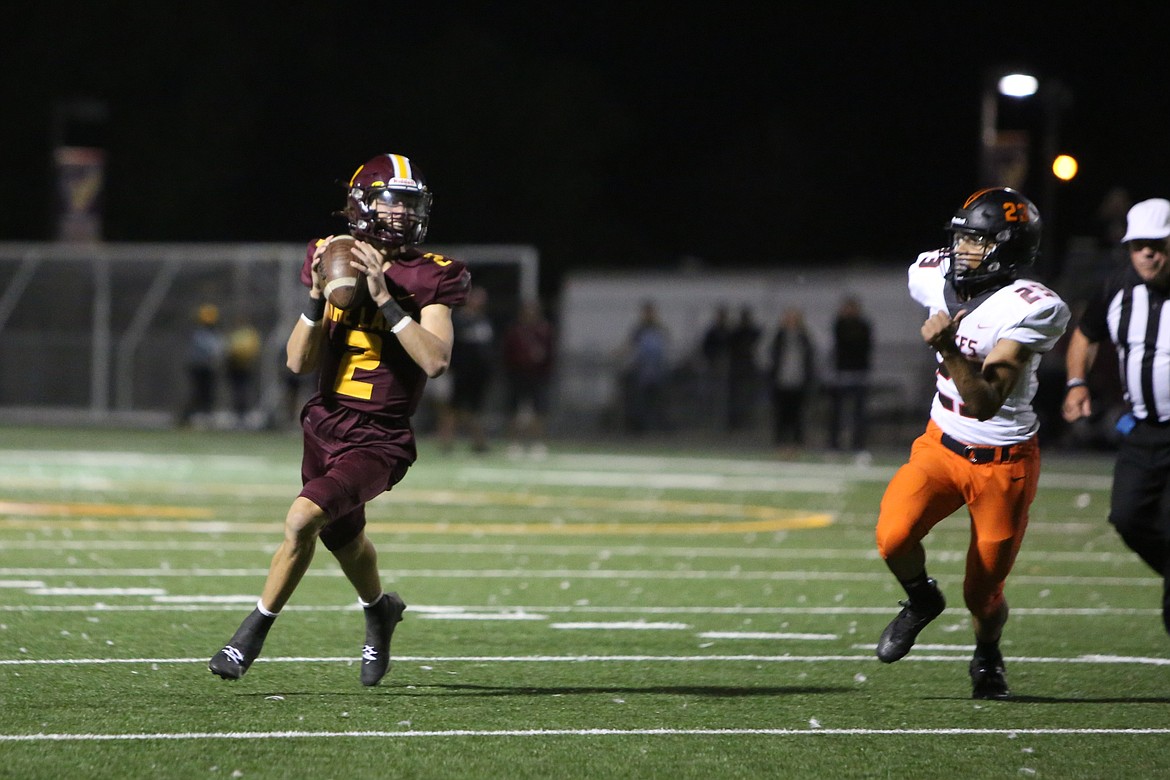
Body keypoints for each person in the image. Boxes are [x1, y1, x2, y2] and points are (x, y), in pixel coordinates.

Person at [209, 153, 470, 686]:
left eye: (411, 204)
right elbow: (297, 362)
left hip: (381, 436)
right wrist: (313, 298)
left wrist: (386, 302)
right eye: (394, 202)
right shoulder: (328, 255)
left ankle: (250, 635)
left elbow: (437, 361)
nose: (404, 214)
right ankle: (379, 609)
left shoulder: (434, 274)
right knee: (344, 540)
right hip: (324, 421)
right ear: (363, 204)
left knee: (303, 518)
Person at [873, 187, 1069, 700]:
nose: (962, 251)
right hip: (940, 445)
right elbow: (928, 273)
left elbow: (985, 402)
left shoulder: (1031, 308)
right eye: (960, 238)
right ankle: (920, 600)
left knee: (982, 593)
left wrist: (946, 348)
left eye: (976, 241)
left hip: (1003, 461)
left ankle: (987, 653)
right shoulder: (934, 275)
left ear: (1007, 248)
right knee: (893, 537)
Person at [1063, 197, 1170, 639]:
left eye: (1157, 243)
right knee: (1126, 517)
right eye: (1138, 245)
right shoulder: (1115, 289)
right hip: (1142, 431)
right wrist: (1076, 383)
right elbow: (1085, 336)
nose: (1147, 253)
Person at [439, 286, 495, 453]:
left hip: (479, 374)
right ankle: (446, 442)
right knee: (453, 407)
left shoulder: (484, 321)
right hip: (460, 372)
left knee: (474, 409)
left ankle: (478, 442)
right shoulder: (458, 321)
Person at [502, 298, 556, 455]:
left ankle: (537, 444)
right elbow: (507, 353)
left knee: (539, 411)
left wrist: (546, 371)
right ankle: (514, 443)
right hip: (517, 375)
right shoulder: (515, 330)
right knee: (514, 411)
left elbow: (550, 353)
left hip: (538, 376)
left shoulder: (544, 330)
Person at [828, 295, 873, 452]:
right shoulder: (840, 324)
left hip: (859, 373)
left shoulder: (863, 325)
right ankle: (834, 445)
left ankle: (858, 445)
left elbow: (863, 347)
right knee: (838, 412)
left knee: (858, 413)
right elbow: (842, 344)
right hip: (842, 373)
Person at [767, 307, 816, 448]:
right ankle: (780, 442)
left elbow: (814, 352)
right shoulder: (778, 336)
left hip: (799, 382)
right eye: (788, 318)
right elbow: (764, 351)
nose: (791, 321)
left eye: (794, 318)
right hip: (780, 381)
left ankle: (797, 443)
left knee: (797, 415)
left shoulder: (805, 337)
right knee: (781, 414)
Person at [623, 299, 670, 434]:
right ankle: (640, 429)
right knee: (641, 401)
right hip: (643, 371)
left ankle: (659, 428)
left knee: (658, 401)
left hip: (657, 371)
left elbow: (664, 345)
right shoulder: (640, 329)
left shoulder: (658, 328)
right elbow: (631, 345)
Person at [179, 302, 223, 427]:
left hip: (207, 367)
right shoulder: (199, 334)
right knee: (199, 393)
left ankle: (204, 416)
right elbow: (210, 350)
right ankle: (188, 417)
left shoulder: (212, 334)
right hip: (199, 367)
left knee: (207, 394)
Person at [727, 305, 763, 430]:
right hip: (737, 368)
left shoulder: (751, 332)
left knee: (748, 397)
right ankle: (734, 423)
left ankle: (747, 422)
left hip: (747, 368)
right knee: (735, 397)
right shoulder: (736, 333)